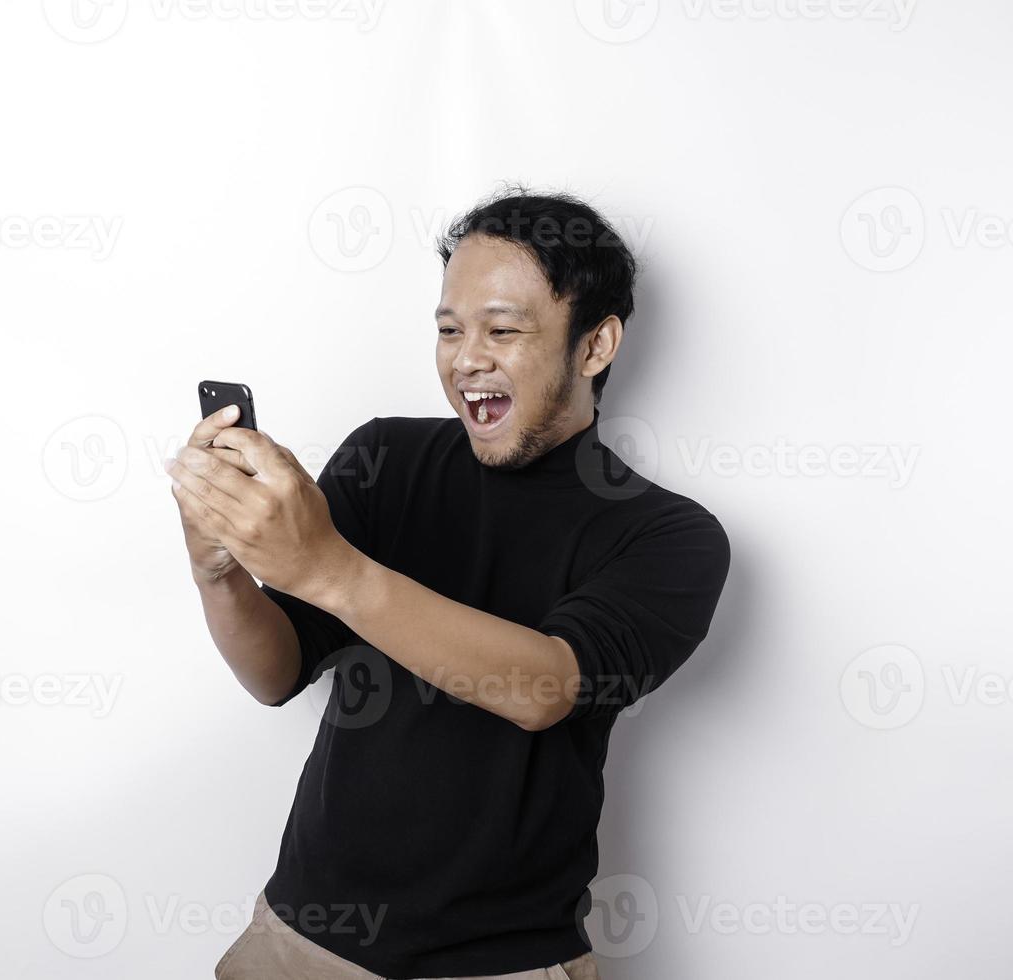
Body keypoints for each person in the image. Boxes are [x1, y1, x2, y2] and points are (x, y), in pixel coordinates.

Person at [168, 187, 731, 980]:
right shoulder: (383, 460)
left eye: (503, 330)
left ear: (596, 345)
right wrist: (219, 573)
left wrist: (325, 565)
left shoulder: (669, 536)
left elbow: (540, 687)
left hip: (503, 965)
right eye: (448, 329)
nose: (467, 357)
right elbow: (275, 674)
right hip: (298, 940)